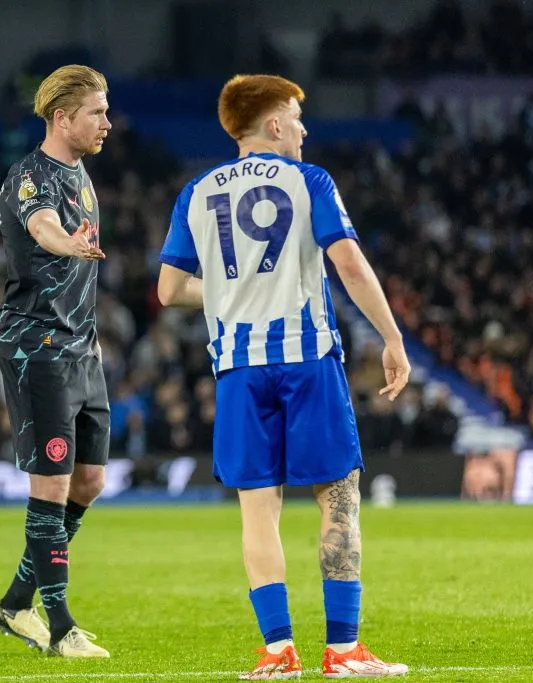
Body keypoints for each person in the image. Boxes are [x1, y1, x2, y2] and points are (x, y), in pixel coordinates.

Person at [157, 75, 411, 679]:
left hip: (238, 369)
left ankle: (278, 653)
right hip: (305, 358)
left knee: (257, 509)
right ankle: (344, 650)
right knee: (339, 496)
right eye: (297, 117)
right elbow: (346, 261)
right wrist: (392, 337)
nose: (303, 129)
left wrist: (226, 290)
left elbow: (168, 291)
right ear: (273, 125)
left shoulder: (195, 191)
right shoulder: (309, 180)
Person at [0, 65, 112, 659]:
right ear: (63, 118)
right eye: (97, 112)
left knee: (89, 481)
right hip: (37, 346)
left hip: (81, 347)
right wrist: (73, 243)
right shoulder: (30, 177)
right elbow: (43, 230)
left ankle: (15, 603)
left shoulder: (82, 174)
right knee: (53, 483)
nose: (106, 122)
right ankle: (60, 628)